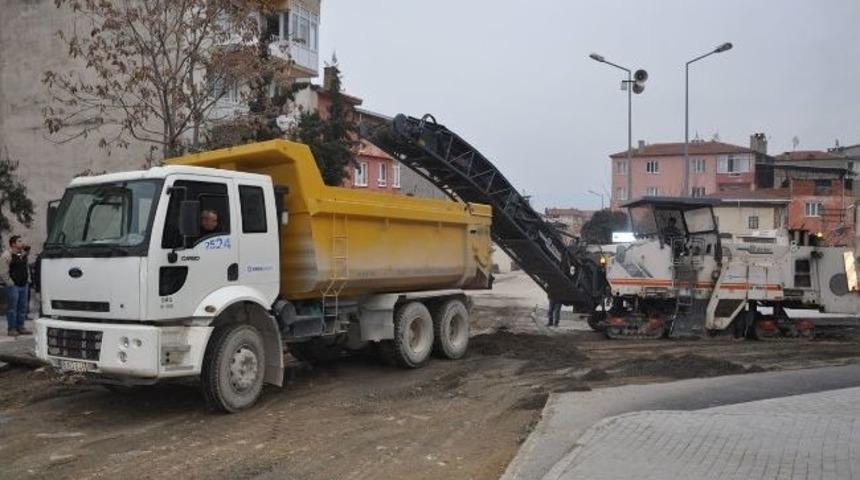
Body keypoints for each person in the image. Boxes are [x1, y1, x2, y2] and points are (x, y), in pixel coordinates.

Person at [1, 235, 31, 337]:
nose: (22, 243)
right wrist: (10, 283)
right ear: (13, 244)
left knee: (22, 307)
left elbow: (25, 267)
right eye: (19, 241)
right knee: (12, 308)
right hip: (13, 286)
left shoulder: (21, 254)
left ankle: (21, 327)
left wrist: (28, 280)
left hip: (24, 285)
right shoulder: (6, 255)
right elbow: (3, 272)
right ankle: (12, 329)